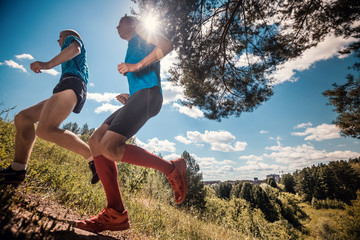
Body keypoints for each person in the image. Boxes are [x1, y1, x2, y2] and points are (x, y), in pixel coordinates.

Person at [74, 15, 188, 233]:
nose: (117, 26)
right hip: (140, 96)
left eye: (121, 22)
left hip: (149, 96)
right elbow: (145, 73)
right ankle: (115, 214)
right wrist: (131, 96)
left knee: (110, 146)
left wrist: (135, 66)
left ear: (132, 23)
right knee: (96, 141)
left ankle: (172, 168)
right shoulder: (133, 44)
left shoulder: (142, 31)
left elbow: (167, 45)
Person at [0, 30, 99, 185]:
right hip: (69, 86)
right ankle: (17, 170)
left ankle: (96, 159)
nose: (58, 40)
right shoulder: (76, 62)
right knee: (23, 118)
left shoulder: (71, 39)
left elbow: (74, 49)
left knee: (45, 130)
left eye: (60, 37)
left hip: (71, 84)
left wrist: (47, 64)